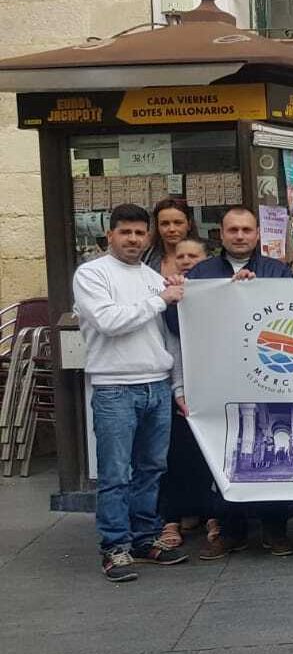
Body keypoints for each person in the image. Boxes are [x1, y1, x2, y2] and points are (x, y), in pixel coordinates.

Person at [74, 204, 189, 581]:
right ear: (110, 235)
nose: (134, 240)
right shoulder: (91, 274)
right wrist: (160, 300)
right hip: (114, 387)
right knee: (115, 473)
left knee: (151, 469)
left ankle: (144, 538)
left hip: (156, 384)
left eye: (140, 233)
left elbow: (169, 336)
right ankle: (115, 547)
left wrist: (175, 384)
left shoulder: (153, 277)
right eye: (126, 232)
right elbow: (109, 322)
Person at [182, 206, 293, 559]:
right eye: (233, 230)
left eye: (247, 230)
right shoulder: (201, 272)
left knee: (274, 450)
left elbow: (291, 315)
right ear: (221, 234)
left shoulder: (277, 272)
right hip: (220, 376)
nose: (240, 236)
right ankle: (230, 530)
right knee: (227, 451)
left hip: (271, 374)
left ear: (258, 234)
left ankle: (275, 529)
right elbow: (183, 326)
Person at [154, 237, 210, 551]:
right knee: (174, 454)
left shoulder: (219, 291)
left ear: (206, 259)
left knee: (208, 456)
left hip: (213, 388)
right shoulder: (169, 295)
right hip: (179, 389)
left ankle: (211, 515)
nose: (187, 260)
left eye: (194, 255)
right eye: (181, 256)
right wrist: (179, 388)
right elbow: (173, 345)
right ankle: (171, 518)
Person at [142, 196, 198, 276]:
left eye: (178, 223)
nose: (171, 229)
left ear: (189, 225)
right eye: (165, 224)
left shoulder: (206, 259)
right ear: (157, 227)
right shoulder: (146, 259)